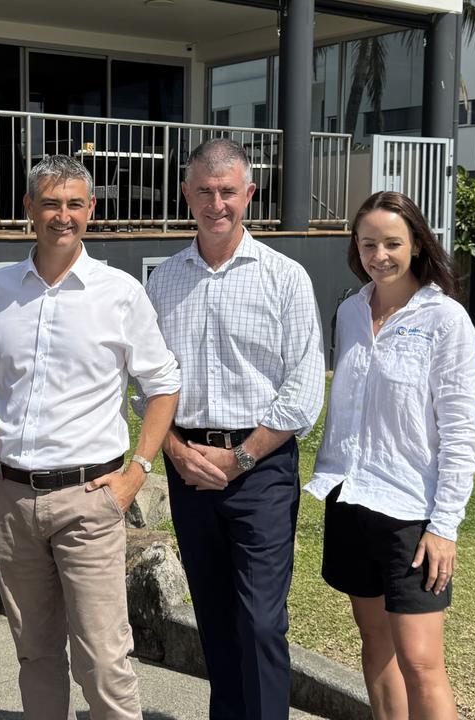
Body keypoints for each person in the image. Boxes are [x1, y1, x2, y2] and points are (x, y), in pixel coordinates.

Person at [0, 155, 181, 720]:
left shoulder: (120, 292)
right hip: (11, 499)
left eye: (75, 204)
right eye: (51, 203)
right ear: (29, 208)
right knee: (35, 654)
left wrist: (139, 470)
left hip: (90, 499)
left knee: (103, 657)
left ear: (91, 210)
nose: (64, 216)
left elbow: (163, 383)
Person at [144, 138, 325, 719]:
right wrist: (173, 449)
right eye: (204, 191)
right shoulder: (162, 282)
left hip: (262, 469)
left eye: (228, 192)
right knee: (215, 619)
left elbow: (303, 390)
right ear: (185, 193)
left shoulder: (286, 277)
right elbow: (144, 385)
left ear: (249, 194)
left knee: (261, 621)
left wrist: (242, 458)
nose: (216, 203)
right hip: (190, 467)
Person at [305, 191, 475, 720]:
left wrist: (444, 525)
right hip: (351, 499)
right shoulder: (350, 312)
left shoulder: (445, 320)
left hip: (411, 513)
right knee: (376, 646)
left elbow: (460, 432)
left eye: (392, 243)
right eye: (368, 243)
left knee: (422, 662)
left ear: (417, 246)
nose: (379, 255)